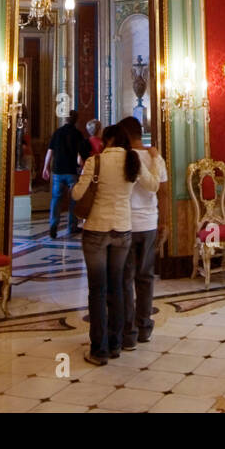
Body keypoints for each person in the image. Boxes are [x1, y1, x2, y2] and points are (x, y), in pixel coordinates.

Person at [73, 124, 158, 365]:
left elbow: (77, 195)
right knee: (119, 287)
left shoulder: (95, 162)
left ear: (107, 140)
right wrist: (155, 159)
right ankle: (118, 343)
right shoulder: (132, 160)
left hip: (96, 231)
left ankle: (99, 350)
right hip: (123, 230)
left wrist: (79, 184)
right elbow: (153, 185)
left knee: (98, 291)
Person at [118, 116, 167, 349]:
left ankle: (129, 333)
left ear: (126, 135)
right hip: (149, 223)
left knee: (126, 278)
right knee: (145, 277)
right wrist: (165, 221)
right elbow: (163, 193)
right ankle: (145, 327)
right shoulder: (155, 158)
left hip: (127, 224)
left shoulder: (124, 158)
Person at [44, 110, 91, 239]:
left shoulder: (57, 133)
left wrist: (45, 167)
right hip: (71, 170)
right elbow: (80, 154)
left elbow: (50, 151)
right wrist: (82, 167)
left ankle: (53, 224)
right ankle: (72, 226)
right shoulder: (77, 134)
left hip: (58, 170)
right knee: (73, 199)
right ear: (76, 120)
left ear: (65, 120)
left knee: (56, 199)